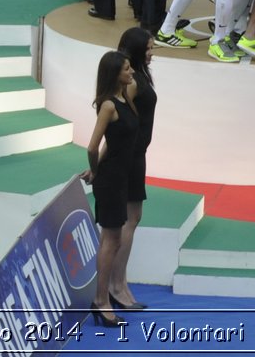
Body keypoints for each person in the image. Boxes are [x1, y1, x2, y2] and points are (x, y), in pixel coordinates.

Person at [81, 50, 138, 327]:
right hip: (111, 180)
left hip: (120, 177)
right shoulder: (108, 106)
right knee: (110, 241)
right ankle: (101, 301)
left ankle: (102, 299)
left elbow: (112, 144)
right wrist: (95, 169)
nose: (131, 73)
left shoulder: (124, 99)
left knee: (112, 240)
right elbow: (93, 145)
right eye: (127, 69)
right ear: (115, 74)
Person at [109, 28, 157, 309]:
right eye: (148, 49)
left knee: (133, 218)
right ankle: (116, 285)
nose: (151, 54)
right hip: (128, 156)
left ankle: (120, 282)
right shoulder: (131, 81)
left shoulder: (140, 76)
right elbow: (115, 115)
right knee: (128, 220)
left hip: (137, 154)